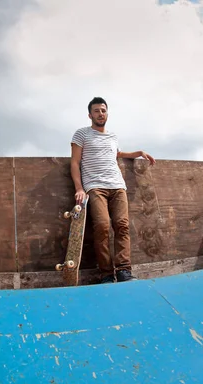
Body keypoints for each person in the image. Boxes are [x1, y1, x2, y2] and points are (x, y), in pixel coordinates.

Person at [70, 97, 155, 283]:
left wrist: (138, 153)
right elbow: (75, 162)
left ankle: (124, 271)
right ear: (89, 114)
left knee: (122, 225)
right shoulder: (81, 134)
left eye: (103, 110)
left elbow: (117, 154)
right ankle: (106, 273)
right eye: (96, 111)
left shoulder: (113, 136)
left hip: (118, 186)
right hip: (95, 187)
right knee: (102, 226)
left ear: (107, 113)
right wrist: (79, 188)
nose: (101, 114)